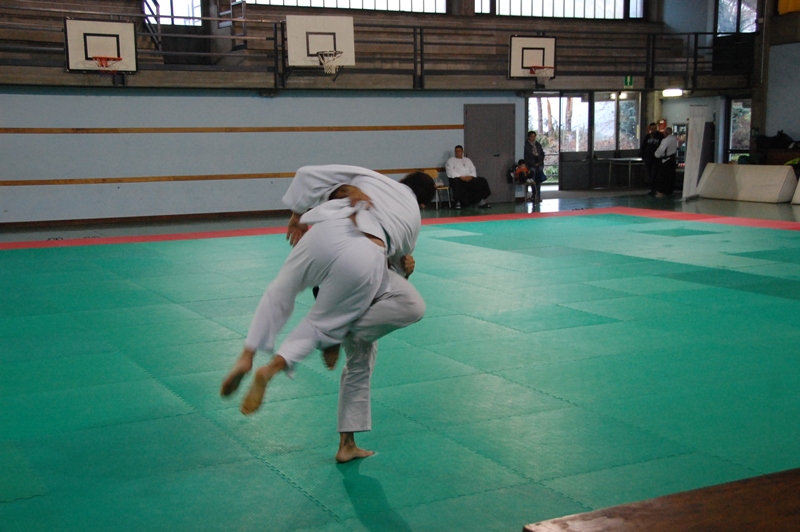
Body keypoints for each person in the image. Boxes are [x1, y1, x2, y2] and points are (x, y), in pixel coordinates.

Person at [220, 165, 434, 463]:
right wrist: (407, 269)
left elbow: (307, 174)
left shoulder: (370, 178)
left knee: (280, 292)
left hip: (323, 234)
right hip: (364, 257)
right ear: (422, 204)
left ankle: (247, 355)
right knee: (386, 316)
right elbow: (389, 277)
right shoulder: (413, 218)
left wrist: (296, 216)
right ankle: (313, 350)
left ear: (401, 181)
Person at [445, 145, 492, 209]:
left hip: (469, 178)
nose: (457, 153)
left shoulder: (467, 160)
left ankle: (481, 201)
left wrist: (471, 176)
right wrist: (460, 177)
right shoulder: (451, 160)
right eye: (456, 151)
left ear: (462, 151)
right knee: (456, 182)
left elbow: (473, 169)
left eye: (459, 151)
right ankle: (458, 202)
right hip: (458, 179)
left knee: (482, 181)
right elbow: (450, 171)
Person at [641, 122, 665, 195]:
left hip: (657, 158)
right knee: (650, 173)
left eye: (655, 128)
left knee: (655, 173)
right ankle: (652, 188)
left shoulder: (660, 136)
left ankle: (656, 188)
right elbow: (643, 147)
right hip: (648, 158)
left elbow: (663, 146)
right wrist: (643, 157)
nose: (653, 130)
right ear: (650, 129)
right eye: (652, 129)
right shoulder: (647, 137)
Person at [654, 127, 679, 198]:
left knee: (663, 176)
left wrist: (656, 155)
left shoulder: (666, 140)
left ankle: (661, 192)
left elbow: (661, 149)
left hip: (666, 160)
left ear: (666, 133)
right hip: (672, 159)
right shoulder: (674, 139)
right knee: (671, 177)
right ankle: (669, 191)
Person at [523, 131, 546, 202]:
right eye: (531, 136)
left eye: (534, 136)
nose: (533, 138)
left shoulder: (538, 145)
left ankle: (538, 195)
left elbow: (542, 154)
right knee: (532, 180)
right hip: (531, 165)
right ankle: (534, 194)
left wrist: (540, 162)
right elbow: (526, 157)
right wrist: (532, 163)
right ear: (529, 137)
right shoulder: (526, 145)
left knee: (538, 180)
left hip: (539, 165)